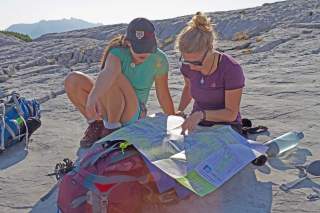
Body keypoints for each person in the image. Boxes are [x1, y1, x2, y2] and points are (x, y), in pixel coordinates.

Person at [64, 17, 175, 147]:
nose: (143, 55)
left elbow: (163, 94)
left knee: (115, 76)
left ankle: (112, 129)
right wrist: (92, 99)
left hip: (133, 112)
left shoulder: (159, 59)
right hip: (111, 105)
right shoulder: (117, 53)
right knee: (73, 80)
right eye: (139, 50)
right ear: (128, 43)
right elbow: (107, 74)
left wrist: (173, 118)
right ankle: (97, 124)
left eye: (148, 49)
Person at [175, 12, 245, 135]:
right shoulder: (188, 67)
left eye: (197, 62)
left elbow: (231, 114)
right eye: (186, 61)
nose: (192, 67)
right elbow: (188, 87)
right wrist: (180, 110)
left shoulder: (231, 69)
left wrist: (201, 115)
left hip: (226, 126)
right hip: (197, 122)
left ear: (210, 49)